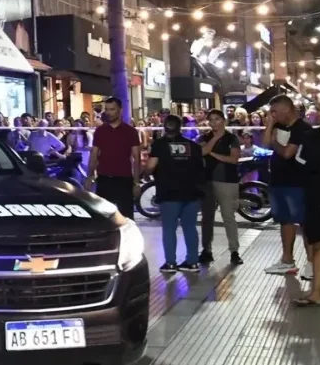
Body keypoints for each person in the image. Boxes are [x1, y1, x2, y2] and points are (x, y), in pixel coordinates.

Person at [262, 94, 314, 276]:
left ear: (286, 109)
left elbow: (287, 153)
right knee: (285, 221)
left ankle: (311, 263)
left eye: (275, 111)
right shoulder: (278, 126)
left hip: (297, 183)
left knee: (305, 222)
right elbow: (265, 143)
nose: (272, 115)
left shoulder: (302, 128)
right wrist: (270, 126)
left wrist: (274, 142)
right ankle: (287, 260)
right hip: (279, 181)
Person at [146, 115, 205, 273]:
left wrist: (145, 173)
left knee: (169, 229)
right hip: (191, 193)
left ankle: (171, 263)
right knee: (190, 228)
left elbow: (151, 166)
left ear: (164, 126)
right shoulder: (193, 146)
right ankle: (192, 262)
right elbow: (200, 168)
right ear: (180, 127)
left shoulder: (159, 145)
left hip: (169, 193)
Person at [292, 96, 320, 306]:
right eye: (318, 110)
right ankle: (317, 292)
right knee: (319, 243)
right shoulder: (310, 137)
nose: (318, 114)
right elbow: (300, 161)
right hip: (317, 197)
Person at [199, 109, 244, 265]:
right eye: (211, 120)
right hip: (207, 182)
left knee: (228, 216)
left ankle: (234, 251)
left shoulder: (232, 138)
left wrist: (212, 154)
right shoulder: (205, 137)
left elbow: (233, 159)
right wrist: (215, 139)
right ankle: (206, 250)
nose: (214, 122)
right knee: (207, 217)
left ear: (223, 120)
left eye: (217, 119)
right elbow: (202, 151)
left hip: (227, 181)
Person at [86, 97, 142, 218]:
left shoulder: (131, 131)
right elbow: (94, 155)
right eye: (107, 109)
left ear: (120, 110)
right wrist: (89, 177)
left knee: (126, 218)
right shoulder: (100, 131)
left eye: (112, 109)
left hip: (124, 180)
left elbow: (136, 158)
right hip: (104, 180)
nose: (109, 112)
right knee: (103, 218)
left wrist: (137, 183)